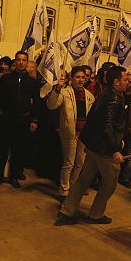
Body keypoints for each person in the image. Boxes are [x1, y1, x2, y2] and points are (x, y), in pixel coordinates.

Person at [57, 66, 128, 225]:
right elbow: (107, 125)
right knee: (110, 182)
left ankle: (67, 210)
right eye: (125, 79)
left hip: (94, 146)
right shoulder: (114, 99)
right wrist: (115, 148)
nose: (129, 81)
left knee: (83, 179)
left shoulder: (107, 94)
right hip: (104, 150)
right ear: (116, 82)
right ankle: (96, 213)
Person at [0, 51, 40, 188]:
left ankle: (13, 176)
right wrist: (0, 112)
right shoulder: (6, 79)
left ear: (27, 62)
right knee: (2, 149)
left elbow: (36, 102)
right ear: (15, 62)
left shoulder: (32, 82)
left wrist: (34, 120)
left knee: (18, 150)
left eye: (24, 60)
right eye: (18, 60)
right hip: (7, 119)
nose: (21, 62)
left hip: (23, 120)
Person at [46, 65, 95, 198]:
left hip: (83, 135)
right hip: (69, 133)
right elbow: (51, 105)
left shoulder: (89, 95)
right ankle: (64, 190)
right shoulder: (65, 92)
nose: (80, 80)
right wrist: (57, 89)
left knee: (80, 163)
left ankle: (74, 187)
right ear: (71, 78)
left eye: (83, 77)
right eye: (77, 77)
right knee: (69, 163)